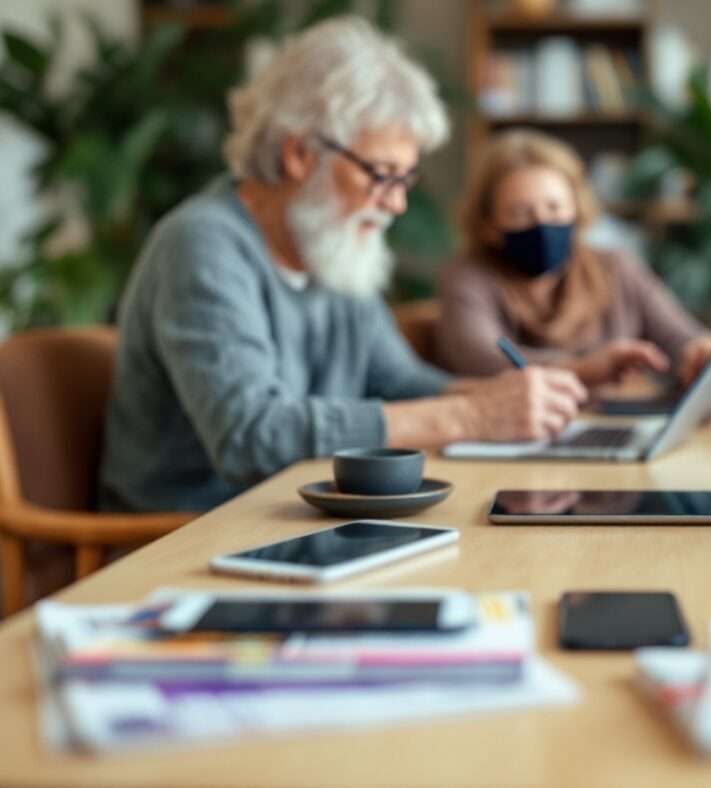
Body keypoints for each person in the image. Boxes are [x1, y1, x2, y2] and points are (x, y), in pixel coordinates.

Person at [100, 18, 585, 513]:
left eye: (404, 180)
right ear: (299, 155)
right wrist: (470, 416)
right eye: (382, 175)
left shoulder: (329, 246)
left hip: (297, 520)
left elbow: (399, 383)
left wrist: (509, 397)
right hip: (183, 539)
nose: (396, 204)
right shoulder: (201, 245)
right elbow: (251, 437)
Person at [435, 130, 711, 388]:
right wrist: (582, 370)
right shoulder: (469, 277)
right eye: (521, 213)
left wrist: (699, 349)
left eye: (555, 207)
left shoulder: (614, 266)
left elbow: (678, 333)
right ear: (489, 223)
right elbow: (480, 359)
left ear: (577, 207)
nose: (542, 224)